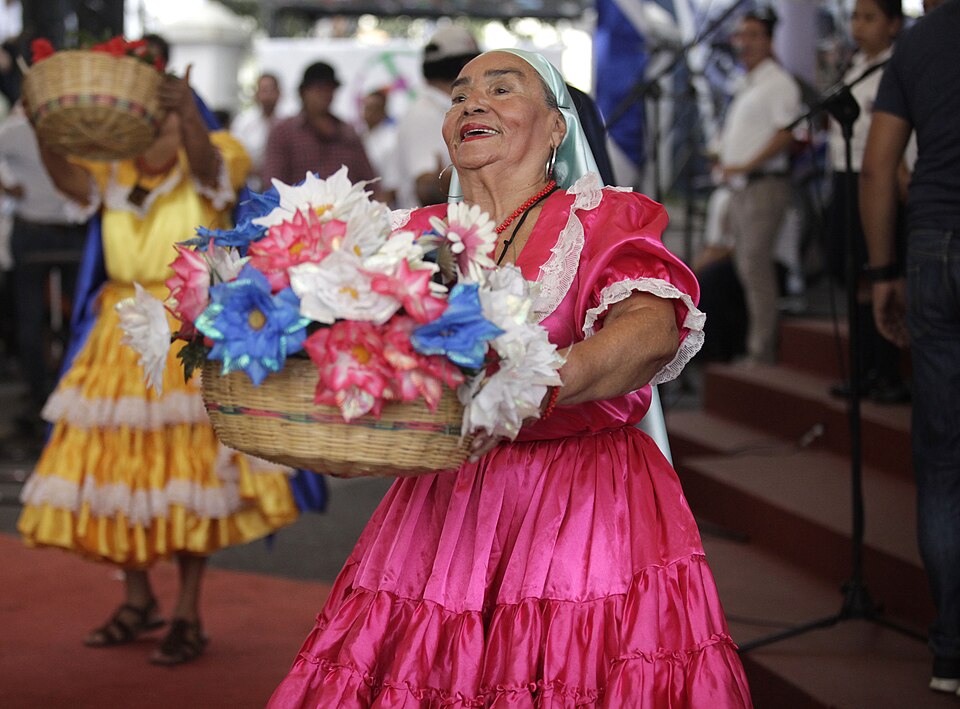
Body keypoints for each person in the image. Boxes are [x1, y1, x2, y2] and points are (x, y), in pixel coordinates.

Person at [268, 48, 752, 707]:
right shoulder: (408, 236)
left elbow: (650, 328)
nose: (473, 101)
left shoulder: (604, 217)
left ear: (556, 128)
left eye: (502, 88)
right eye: (461, 94)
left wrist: (538, 380)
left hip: (584, 498)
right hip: (447, 497)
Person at [17, 61, 300, 665]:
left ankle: (189, 612)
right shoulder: (113, 164)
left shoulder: (219, 149)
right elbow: (69, 184)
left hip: (185, 325)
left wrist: (185, 112)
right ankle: (139, 598)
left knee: (189, 473)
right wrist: (45, 127)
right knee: (118, 467)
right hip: (117, 331)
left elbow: (207, 171)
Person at [859, 0, 960, 695]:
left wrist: (882, 272)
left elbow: (877, 167)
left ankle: (951, 651)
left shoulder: (920, 44)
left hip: (934, 246)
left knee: (944, 459)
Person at [823, 0, 907, 404]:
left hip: (877, 179)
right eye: (855, 17)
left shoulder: (898, 68)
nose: (859, 26)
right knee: (851, 272)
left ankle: (886, 371)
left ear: (894, 24)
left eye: (870, 18)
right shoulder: (856, 66)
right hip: (845, 176)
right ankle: (861, 369)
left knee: (878, 272)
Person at [711, 7, 802, 364]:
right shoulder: (749, 82)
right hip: (741, 187)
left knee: (755, 267)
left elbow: (787, 133)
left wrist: (745, 165)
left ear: (769, 40)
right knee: (745, 268)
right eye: (741, 35)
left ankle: (762, 350)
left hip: (763, 186)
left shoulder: (779, 82)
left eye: (753, 35)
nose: (744, 43)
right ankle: (752, 345)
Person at [0, 100, 86, 436]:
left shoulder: (18, 129)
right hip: (60, 231)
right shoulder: (70, 126)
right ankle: (65, 389)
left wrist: (10, 188)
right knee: (71, 317)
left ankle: (45, 394)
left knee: (38, 320)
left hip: (42, 231)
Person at [394, 25, 479, 208]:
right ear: (466, 65)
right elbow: (426, 189)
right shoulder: (424, 113)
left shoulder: (440, 108)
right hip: (431, 224)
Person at [262, 61, 376, 190]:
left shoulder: (348, 132)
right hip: (300, 202)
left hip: (348, 202)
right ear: (303, 93)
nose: (325, 95)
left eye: (329, 89)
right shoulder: (284, 133)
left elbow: (369, 181)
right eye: (319, 89)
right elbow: (272, 185)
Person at [231, 72, 283, 190]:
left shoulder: (287, 122)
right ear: (256, 94)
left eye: (271, 90)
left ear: (279, 93)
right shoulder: (243, 122)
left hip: (281, 185)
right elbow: (235, 155)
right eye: (264, 90)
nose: (268, 95)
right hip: (249, 185)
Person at [358, 87, 400, 207]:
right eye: (366, 108)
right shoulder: (361, 137)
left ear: (383, 111)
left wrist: (376, 209)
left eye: (373, 109)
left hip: (383, 207)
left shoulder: (390, 140)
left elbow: (393, 186)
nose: (368, 113)